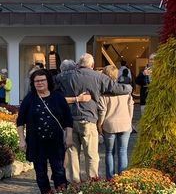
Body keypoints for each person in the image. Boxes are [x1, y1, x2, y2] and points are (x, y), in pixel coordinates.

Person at [55, 54, 132, 182]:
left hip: (69, 121)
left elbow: (51, 89)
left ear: (78, 64)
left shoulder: (64, 76)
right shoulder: (98, 76)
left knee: (72, 153)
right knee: (91, 154)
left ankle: (74, 184)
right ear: (92, 65)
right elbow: (116, 88)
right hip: (88, 119)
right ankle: (92, 183)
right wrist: (129, 87)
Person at [16, 68, 73, 194]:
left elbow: (68, 120)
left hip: (55, 141)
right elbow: (20, 121)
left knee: (58, 171)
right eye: (36, 81)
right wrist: (22, 139)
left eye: (42, 80)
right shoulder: (29, 99)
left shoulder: (58, 97)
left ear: (48, 81)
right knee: (40, 172)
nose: (39, 83)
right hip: (36, 142)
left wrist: (69, 136)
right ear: (33, 83)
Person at [98, 64, 134, 178]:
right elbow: (131, 107)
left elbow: (102, 112)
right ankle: (123, 178)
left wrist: (99, 125)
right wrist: (129, 120)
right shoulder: (125, 90)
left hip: (109, 125)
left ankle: (110, 178)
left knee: (109, 152)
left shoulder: (104, 93)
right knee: (123, 151)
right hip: (125, 124)